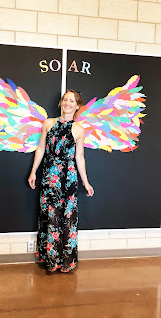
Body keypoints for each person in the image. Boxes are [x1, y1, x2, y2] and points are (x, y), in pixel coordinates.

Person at [28, 90, 94, 273]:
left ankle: (66, 262)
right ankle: (51, 261)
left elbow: (80, 158)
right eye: (66, 100)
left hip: (68, 180)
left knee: (66, 219)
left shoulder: (80, 130)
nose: (68, 103)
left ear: (77, 105)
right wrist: (33, 171)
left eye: (72, 101)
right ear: (61, 102)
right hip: (50, 177)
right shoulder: (48, 123)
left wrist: (85, 182)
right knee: (50, 217)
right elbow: (40, 148)